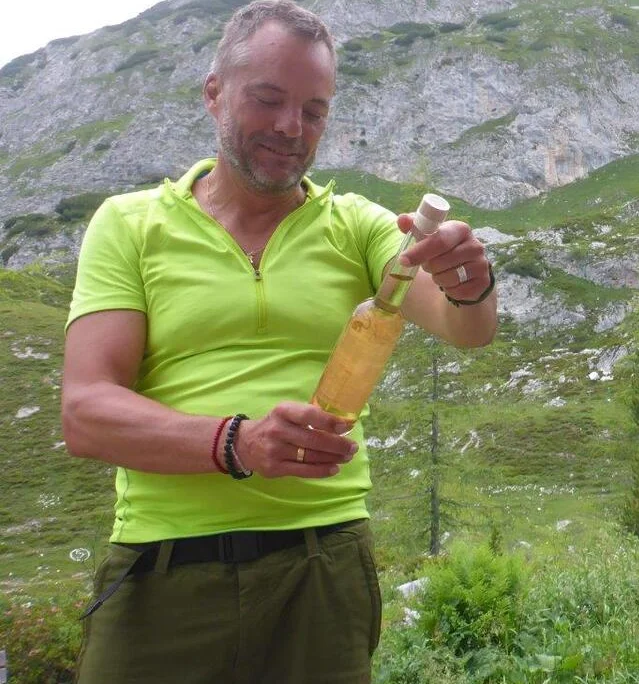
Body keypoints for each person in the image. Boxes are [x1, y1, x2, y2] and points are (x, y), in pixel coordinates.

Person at [61, 2, 497, 681]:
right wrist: (239, 442)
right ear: (214, 93)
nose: (291, 129)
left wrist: (468, 281)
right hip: (164, 567)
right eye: (268, 99)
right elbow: (86, 411)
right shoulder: (129, 224)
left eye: (315, 110)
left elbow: (464, 326)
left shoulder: (357, 225)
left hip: (321, 567)